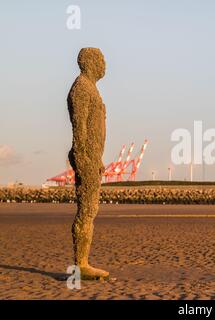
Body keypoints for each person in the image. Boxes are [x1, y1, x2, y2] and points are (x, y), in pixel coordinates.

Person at [68, 48, 108, 280]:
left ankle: (83, 262)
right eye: (101, 60)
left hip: (92, 157)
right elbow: (80, 128)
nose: (104, 64)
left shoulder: (90, 88)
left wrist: (98, 159)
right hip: (86, 157)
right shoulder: (82, 88)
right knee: (86, 210)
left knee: (91, 209)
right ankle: (80, 264)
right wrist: (83, 157)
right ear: (90, 62)